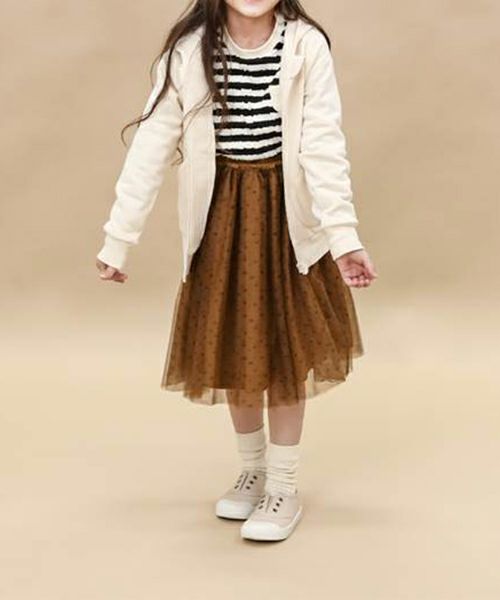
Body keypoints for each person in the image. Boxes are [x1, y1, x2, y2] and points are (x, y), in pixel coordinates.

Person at [95, 0, 378, 542]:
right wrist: (119, 238)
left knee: (284, 353)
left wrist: (343, 236)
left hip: (286, 221)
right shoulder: (189, 51)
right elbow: (152, 146)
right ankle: (253, 471)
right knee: (237, 347)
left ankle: (283, 486)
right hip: (222, 219)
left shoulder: (304, 45)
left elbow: (323, 144)